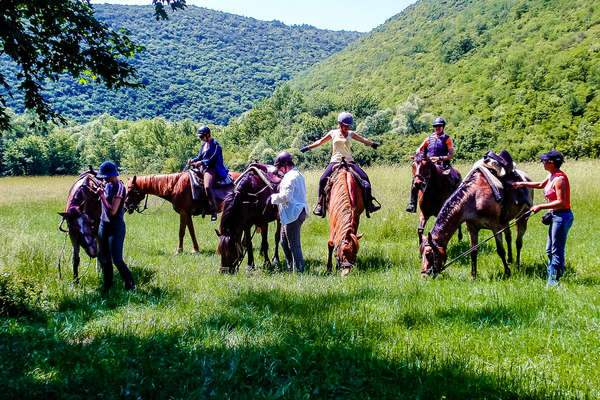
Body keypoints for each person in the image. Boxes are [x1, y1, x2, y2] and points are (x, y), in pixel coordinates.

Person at [300, 111, 380, 217]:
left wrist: (372, 144)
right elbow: (320, 142)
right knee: (322, 181)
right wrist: (307, 148)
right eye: (345, 125)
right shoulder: (332, 133)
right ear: (340, 124)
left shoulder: (351, 134)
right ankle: (320, 205)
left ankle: (369, 204)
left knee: (365, 180)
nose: (347, 128)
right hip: (335, 161)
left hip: (349, 162)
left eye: (348, 126)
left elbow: (363, 140)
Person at [513, 151, 573, 287]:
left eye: (544, 161)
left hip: (562, 216)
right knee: (549, 250)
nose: (542, 163)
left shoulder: (560, 180)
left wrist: (540, 206)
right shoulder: (552, 175)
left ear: (551, 163)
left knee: (556, 250)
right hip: (555, 216)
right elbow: (541, 184)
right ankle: (553, 276)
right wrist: (522, 184)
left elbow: (562, 202)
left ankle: (553, 283)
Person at [95, 161, 135, 292]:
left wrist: (101, 196)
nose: (104, 179)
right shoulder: (107, 185)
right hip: (103, 225)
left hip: (115, 227)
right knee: (104, 258)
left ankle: (130, 284)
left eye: (106, 176)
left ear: (113, 175)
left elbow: (112, 211)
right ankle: (107, 285)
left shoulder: (119, 187)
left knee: (117, 259)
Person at [269, 152, 310, 273]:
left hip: (294, 214)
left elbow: (286, 197)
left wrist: (271, 198)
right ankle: (290, 267)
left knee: (294, 245)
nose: (280, 170)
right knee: (283, 242)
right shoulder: (296, 174)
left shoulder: (290, 176)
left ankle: (299, 271)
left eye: (281, 167)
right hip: (291, 213)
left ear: (286, 165)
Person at [406, 117, 456, 213]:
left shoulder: (447, 139)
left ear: (443, 127)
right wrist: (420, 157)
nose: (437, 128)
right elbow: (418, 150)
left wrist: (439, 158)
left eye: (439, 126)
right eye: (435, 126)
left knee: (454, 177)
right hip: (429, 166)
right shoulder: (429, 138)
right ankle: (412, 204)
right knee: (415, 181)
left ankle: (455, 202)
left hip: (443, 165)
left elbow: (451, 155)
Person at [187, 126, 229, 221]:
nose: (201, 139)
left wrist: (201, 163)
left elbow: (212, 159)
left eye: (202, 137)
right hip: (204, 168)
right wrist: (192, 160)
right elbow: (199, 157)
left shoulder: (216, 145)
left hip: (212, 168)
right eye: (200, 137)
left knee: (207, 186)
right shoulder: (203, 145)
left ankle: (214, 210)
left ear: (207, 135)